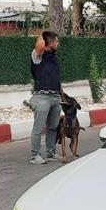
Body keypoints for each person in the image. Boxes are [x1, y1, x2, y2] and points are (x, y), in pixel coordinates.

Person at [30, 31, 62, 165]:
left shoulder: (53, 57)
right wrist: (42, 35)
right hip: (42, 97)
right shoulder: (38, 56)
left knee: (53, 127)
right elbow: (40, 45)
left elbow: (56, 77)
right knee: (38, 128)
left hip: (55, 96)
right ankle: (35, 156)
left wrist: (61, 93)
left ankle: (51, 153)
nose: (58, 43)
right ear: (50, 43)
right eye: (56, 41)